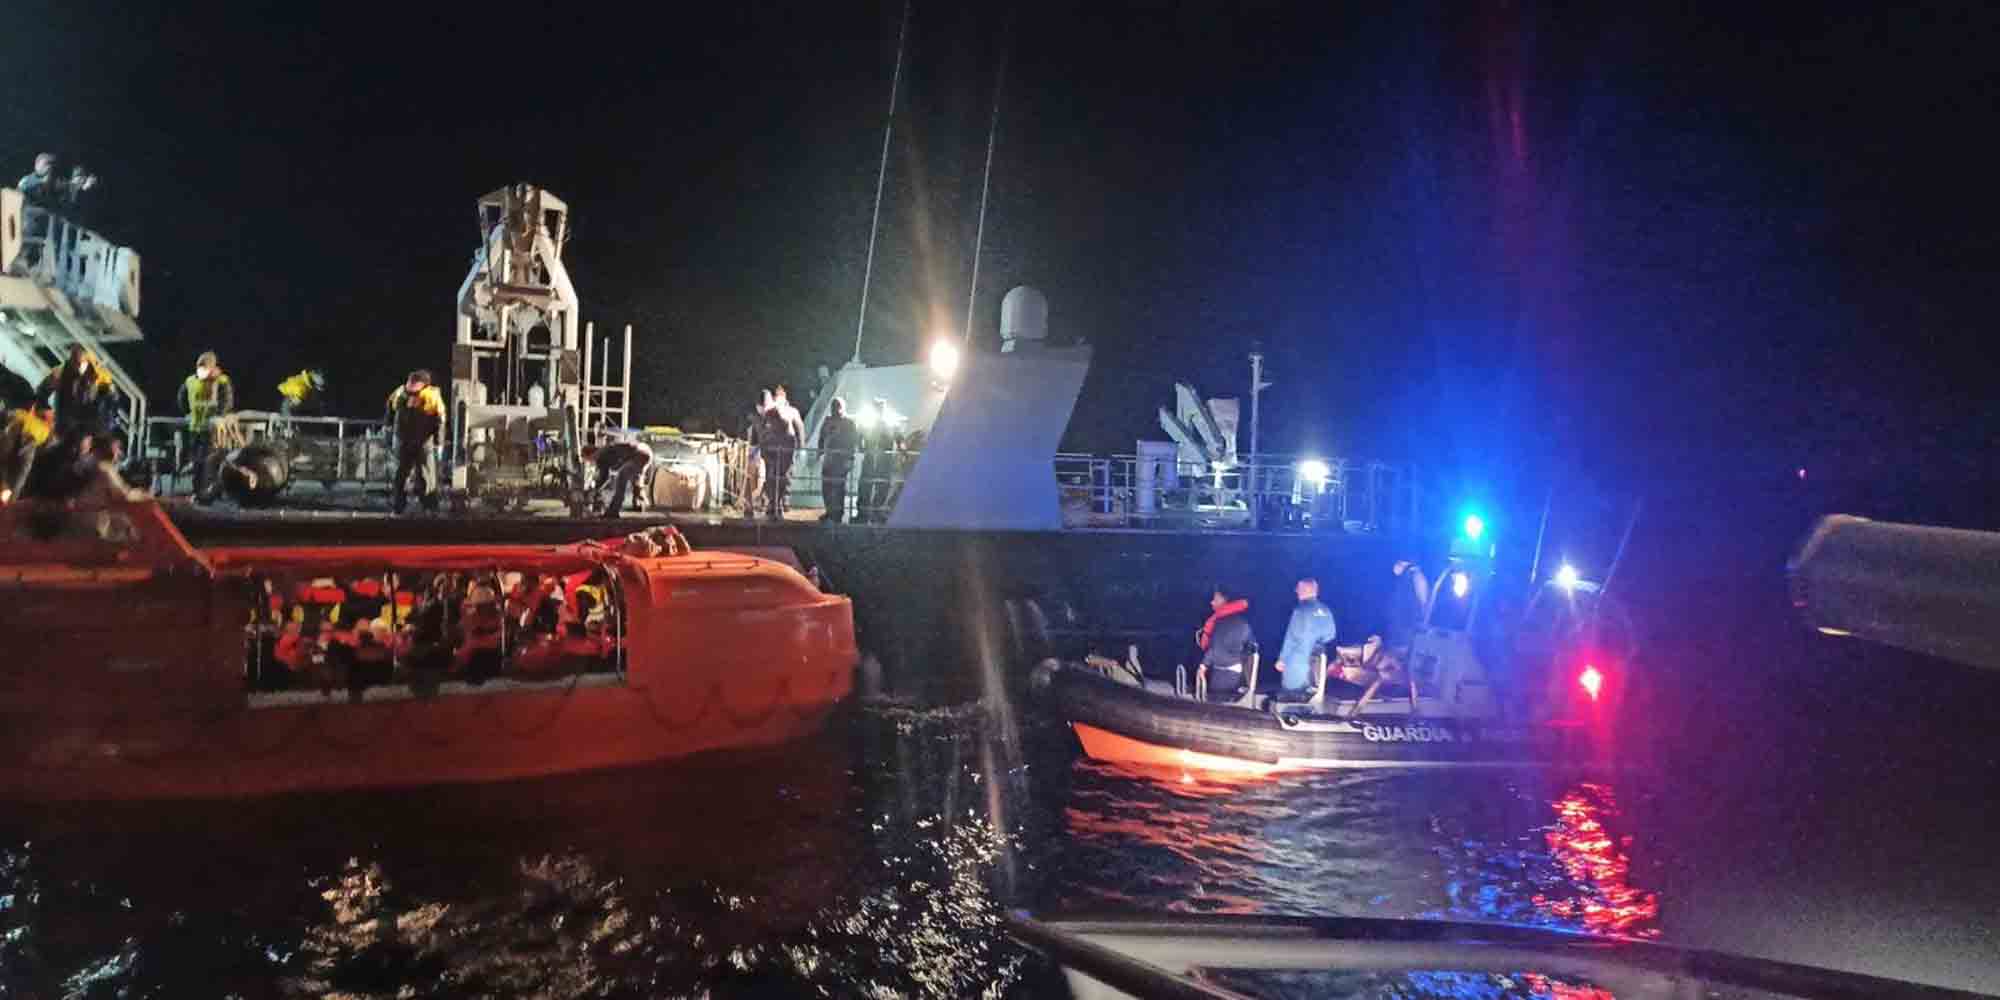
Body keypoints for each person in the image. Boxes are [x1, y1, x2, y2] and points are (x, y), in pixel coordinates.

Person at [385, 369, 445, 515]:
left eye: (414, 383)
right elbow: (389, 415)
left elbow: (440, 421)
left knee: (426, 475)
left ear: (424, 384)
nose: (411, 387)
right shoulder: (399, 394)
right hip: (402, 440)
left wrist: (439, 443)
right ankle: (398, 507)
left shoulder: (432, 397)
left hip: (424, 442)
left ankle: (429, 507)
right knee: (400, 475)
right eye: (410, 383)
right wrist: (389, 435)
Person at [177, 351, 234, 502]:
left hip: (213, 429)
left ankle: (210, 492)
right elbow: (182, 398)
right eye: (200, 366)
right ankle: (199, 492)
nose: (202, 369)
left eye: (205, 366)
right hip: (196, 427)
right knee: (197, 462)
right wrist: (188, 413)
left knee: (210, 461)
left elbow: (227, 400)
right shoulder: (190, 381)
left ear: (212, 366)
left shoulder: (221, 381)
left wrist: (219, 415)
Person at [1273, 576, 1339, 696]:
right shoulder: (1326, 610)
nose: (1296, 591)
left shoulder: (1300, 610)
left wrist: (1281, 660)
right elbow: (1331, 635)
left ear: (1304, 589)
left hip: (1297, 665)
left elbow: (1291, 638)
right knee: (1311, 696)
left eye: (1298, 588)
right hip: (1317, 666)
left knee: (1290, 697)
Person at [37, 345, 113, 438]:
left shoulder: (93, 381)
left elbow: (97, 407)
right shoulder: (61, 372)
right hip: (63, 425)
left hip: (78, 428)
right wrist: (45, 411)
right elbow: (42, 391)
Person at [1195, 585, 1255, 702]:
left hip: (1220, 673)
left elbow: (1214, 648)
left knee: (1216, 705)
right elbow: (1252, 648)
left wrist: (1202, 666)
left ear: (1225, 601)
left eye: (1215, 600)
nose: (1211, 603)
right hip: (1236, 672)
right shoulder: (1244, 623)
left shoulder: (1219, 622)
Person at [758, 385, 804, 521]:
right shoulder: (769, 411)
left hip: (786, 449)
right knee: (771, 477)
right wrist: (763, 448)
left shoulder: (791, 411)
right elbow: (763, 429)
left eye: (781, 396)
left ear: (785, 398)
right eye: (776, 396)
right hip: (771, 448)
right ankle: (773, 504)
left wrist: (802, 447)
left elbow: (799, 428)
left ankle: (783, 502)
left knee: (784, 476)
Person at [0, 400, 55, 504]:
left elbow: (5, 416)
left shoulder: (20, 413)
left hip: (16, 437)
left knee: (9, 469)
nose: (51, 420)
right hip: (26, 442)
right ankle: (9, 501)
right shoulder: (46, 430)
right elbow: (47, 446)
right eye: (49, 417)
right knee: (19, 477)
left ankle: (7, 495)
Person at [71, 431, 146, 506]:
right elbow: (123, 495)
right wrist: (144, 494)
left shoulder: (87, 463)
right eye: (117, 449)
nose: (119, 453)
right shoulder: (105, 469)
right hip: (92, 512)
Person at [589, 433, 654, 517]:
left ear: (591, 454)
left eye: (589, 460)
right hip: (645, 451)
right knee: (636, 480)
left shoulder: (602, 455)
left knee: (622, 477)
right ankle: (639, 504)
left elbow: (603, 476)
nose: (591, 463)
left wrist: (596, 490)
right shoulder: (605, 450)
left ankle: (614, 511)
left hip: (639, 453)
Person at [817, 397, 860, 523]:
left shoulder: (849, 423)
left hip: (841, 461)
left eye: (838, 406)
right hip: (828, 460)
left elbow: (853, 442)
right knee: (826, 487)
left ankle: (838, 514)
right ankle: (829, 511)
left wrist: (850, 459)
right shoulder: (827, 421)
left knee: (838, 488)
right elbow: (821, 436)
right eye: (833, 406)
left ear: (843, 408)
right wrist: (819, 452)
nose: (835, 409)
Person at [859, 397, 897, 522]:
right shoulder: (868, 422)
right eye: (877, 406)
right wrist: (861, 447)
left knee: (882, 485)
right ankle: (863, 513)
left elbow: (899, 436)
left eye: (880, 407)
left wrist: (903, 448)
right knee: (865, 484)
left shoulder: (890, 423)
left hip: (884, 460)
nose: (878, 409)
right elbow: (860, 435)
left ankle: (876, 511)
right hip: (870, 458)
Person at [1383, 559, 1431, 650]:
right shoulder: (1398, 579)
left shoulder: (1416, 576)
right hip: (1394, 634)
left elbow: (1424, 604)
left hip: (1406, 636)